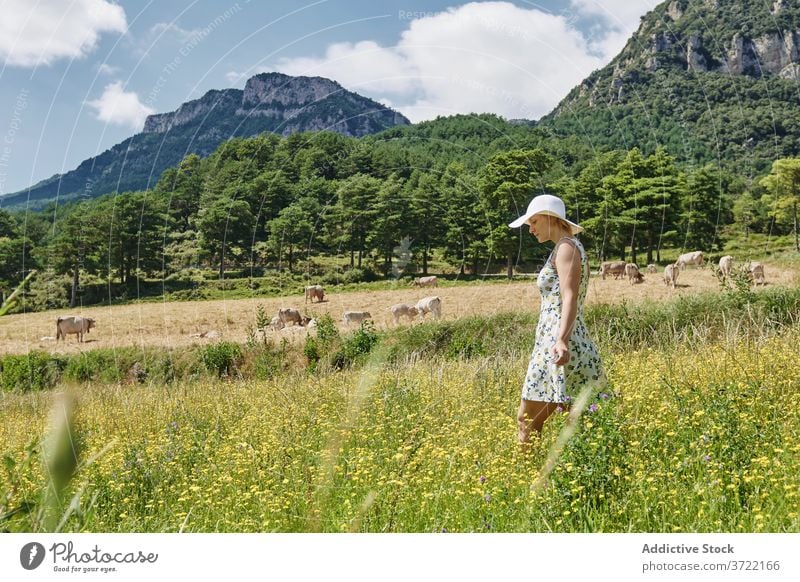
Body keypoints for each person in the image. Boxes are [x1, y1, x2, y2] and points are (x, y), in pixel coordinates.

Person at [508, 194, 605, 444]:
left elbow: (569, 295)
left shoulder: (566, 247)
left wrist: (561, 339)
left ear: (551, 218)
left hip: (559, 343)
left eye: (534, 222)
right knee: (582, 422)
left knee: (527, 420)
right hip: (559, 340)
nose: (531, 230)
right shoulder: (565, 246)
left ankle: (529, 478)